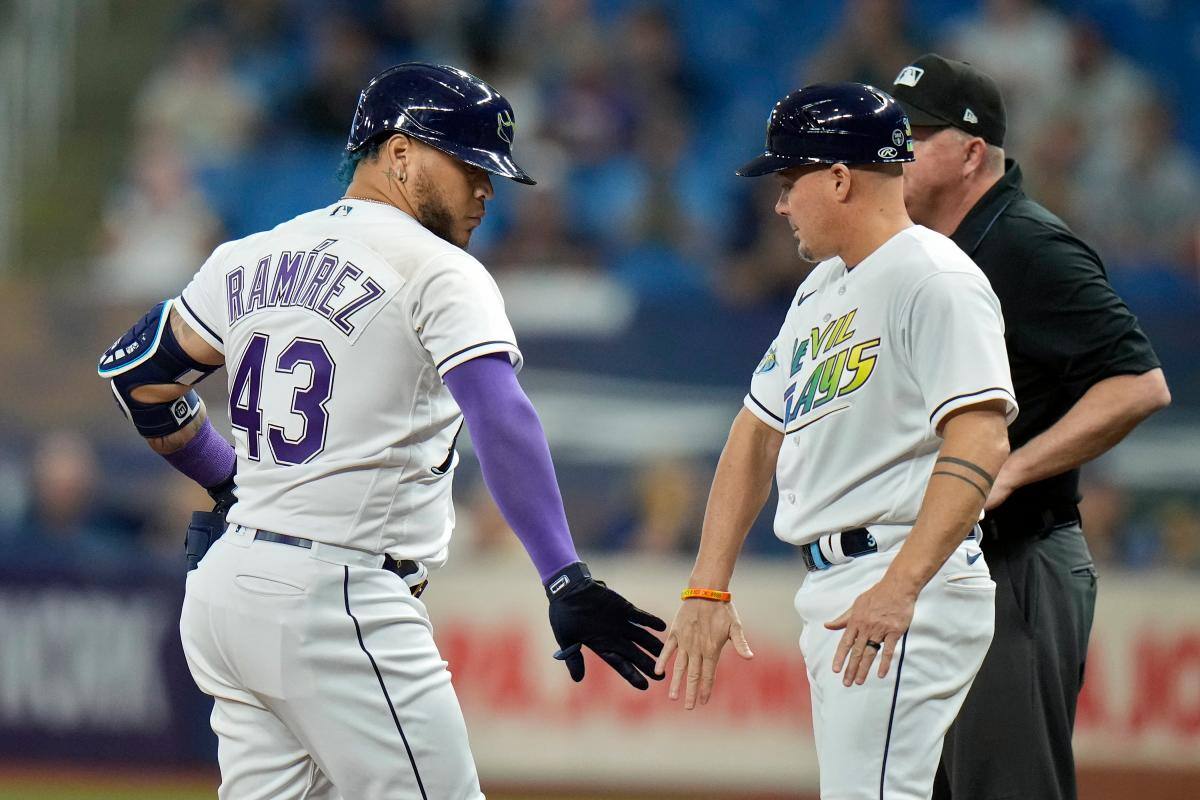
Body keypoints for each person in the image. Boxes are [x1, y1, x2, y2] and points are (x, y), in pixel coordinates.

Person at [97, 62, 665, 799]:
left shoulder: (250, 255)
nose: (487, 189)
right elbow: (502, 413)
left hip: (228, 595)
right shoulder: (438, 269)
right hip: (340, 596)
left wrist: (227, 479)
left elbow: (136, 376)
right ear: (400, 154)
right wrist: (563, 571)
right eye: (468, 165)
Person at [655, 82, 1017, 799]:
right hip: (843, 586)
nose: (781, 203)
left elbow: (980, 439)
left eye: (790, 181)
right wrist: (706, 582)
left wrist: (902, 584)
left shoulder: (935, 279)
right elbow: (755, 433)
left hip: (901, 575)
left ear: (841, 178)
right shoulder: (823, 286)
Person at [890, 53, 1172, 800]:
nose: (896, 150)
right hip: (949, 566)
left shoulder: (1024, 243)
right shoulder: (927, 250)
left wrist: (1010, 467)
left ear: (972, 151)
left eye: (915, 136)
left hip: (1017, 563)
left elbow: (1137, 384)